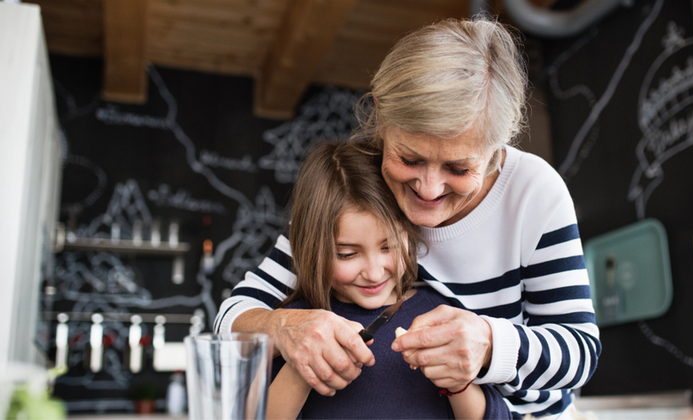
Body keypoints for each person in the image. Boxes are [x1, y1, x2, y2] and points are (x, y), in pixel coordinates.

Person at [216, 16, 600, 419]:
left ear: (496, 147)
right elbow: (233, 315)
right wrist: (284, 327)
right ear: (382, 118)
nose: (429, 190)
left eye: (458, 168)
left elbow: (580, 352)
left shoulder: (532, 193)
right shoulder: (360, 188)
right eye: (410, 158)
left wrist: (488, 344)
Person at [266, 140, 511, 420]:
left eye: (389, 247)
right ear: (313, 251)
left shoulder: (443, 318)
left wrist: (458, 384)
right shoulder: (300, 332)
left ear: (411, 233)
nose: (373, 272)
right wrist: (303, 370)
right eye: (346, 254)